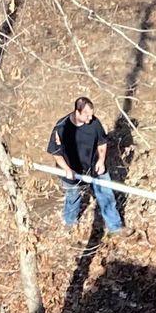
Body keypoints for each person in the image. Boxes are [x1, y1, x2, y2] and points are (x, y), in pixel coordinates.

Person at [46, 96, 123, 234]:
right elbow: (56, 153)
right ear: (77, 112)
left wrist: (101, 160)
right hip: (71, 171)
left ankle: (115, 226)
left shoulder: (94, 123)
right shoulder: (61, 127)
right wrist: (67, 169)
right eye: (86, 115)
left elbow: (102, 142)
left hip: (94, 167)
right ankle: (70, 223)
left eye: (91, 115)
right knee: (72, 197)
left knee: (106, 195)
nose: (90, 119)